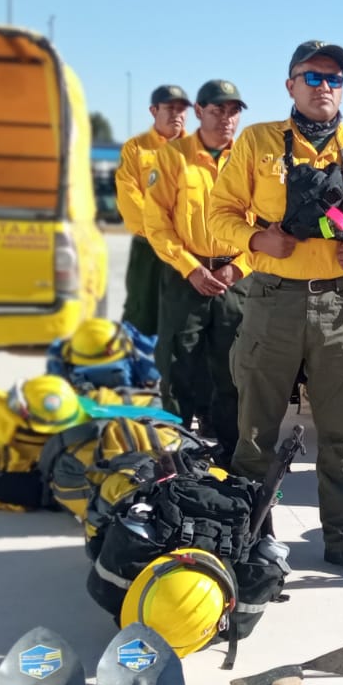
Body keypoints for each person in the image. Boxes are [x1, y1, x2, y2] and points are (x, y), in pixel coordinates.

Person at [206, 40, 343, 577]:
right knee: (254, 434)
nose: (324, 87)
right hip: (274, 303)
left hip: (342, 308)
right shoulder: (258, 142)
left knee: (342, 436)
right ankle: (249, 539)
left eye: (334, 79)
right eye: (312, 77)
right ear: (290, 84)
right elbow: (217, 214)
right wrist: (253, 242)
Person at [143, 79, 249, 460]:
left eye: (233, 110)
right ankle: (173, 453)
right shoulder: (173, 157)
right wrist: (190, 268)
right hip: (185, 277)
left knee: (233, 371)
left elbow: (268, 223)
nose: (226, 118)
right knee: (178, 367)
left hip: (235, 281)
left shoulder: (250, 159)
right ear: (200, 111)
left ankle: (229, 454)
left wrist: (239, 269)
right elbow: (156, 223)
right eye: (218, 109)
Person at [117, 85, 191, 336]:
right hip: (149, 250)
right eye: (170, 108)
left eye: (182, 109)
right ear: (153, 110)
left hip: (187, 250)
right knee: (142, 316)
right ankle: (139, 372)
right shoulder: (136, 149)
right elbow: (129, 197)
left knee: (184, 319)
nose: (177, 114)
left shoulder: (197, 150)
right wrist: (161, 232)